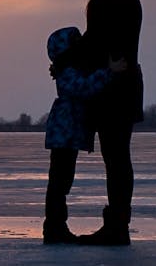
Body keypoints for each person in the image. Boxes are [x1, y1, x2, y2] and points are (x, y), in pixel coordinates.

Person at [77, 0, 148, 246]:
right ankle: (117, 222)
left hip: (114, 87)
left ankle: (117, 225)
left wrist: (70, 56)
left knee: (116, 156)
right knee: (117, 157)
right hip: (122, 84)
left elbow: (97, 40)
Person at [42, 26, 127, 245]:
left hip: (67, 134)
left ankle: (56, 225)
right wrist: (110, 71)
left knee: (62, 181)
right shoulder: (67, 71)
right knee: (59, 182)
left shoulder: (70, 68)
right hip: (64, 134)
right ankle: (54, 227)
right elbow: (84, 88)